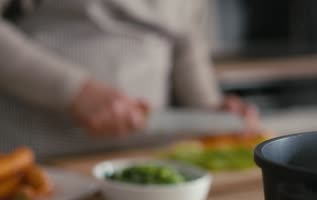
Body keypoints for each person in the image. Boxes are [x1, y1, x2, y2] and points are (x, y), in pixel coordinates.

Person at [0, 0, 259, 158]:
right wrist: (74, 90)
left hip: (149, 156)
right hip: (44, 158)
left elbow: (185, 40)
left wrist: (210, 110)